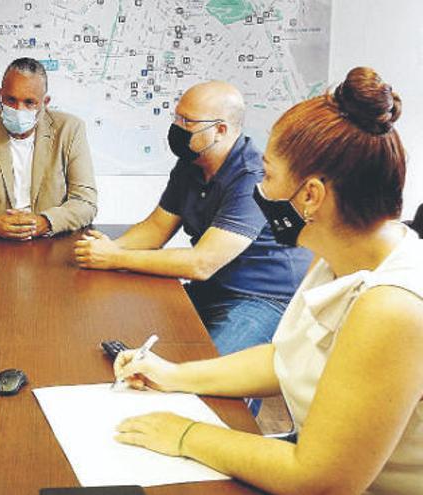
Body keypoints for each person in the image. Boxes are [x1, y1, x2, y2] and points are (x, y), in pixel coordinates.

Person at [112, 68, 423, 494]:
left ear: (311, 195)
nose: (260, 187)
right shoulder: (341, 256)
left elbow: (319, 481)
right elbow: (285, 358)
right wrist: (173, 375)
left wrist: (185, 435)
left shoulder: (393, 305)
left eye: (270, 175)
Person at [74, 81, 312, 355]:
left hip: (262, 298)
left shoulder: (251, 176)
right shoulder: (192, 164)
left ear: (220, 130)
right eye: (176, 117)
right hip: (214, 287)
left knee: (214, 377)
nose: (177, 127)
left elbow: (202, 263)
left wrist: (113, 258)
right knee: (131, 331)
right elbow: (156, 228)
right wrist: (109, 248)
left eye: (187, 121)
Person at [0, 57, 97, 240]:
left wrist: (44, 222)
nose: (18, 109)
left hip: (50, 242)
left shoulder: (70, 129)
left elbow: (85, 202)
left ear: (44, 102)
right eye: (10, 99)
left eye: (29, 102)